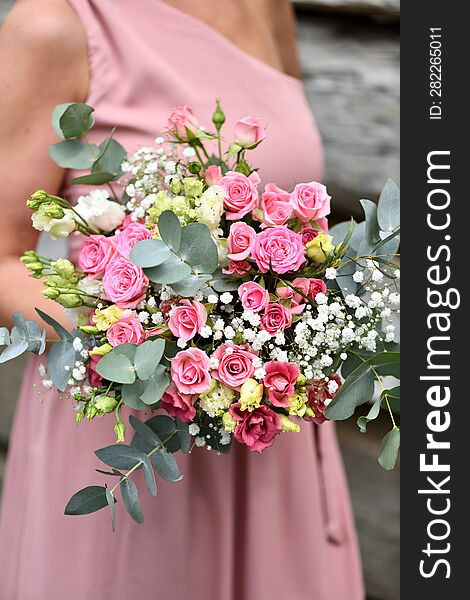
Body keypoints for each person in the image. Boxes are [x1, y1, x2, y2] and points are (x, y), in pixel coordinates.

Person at [0, 1, 364, 598]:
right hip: (130, 438)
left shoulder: (268, 8)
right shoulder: (56, 23)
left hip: (269, 423)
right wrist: (151, 338)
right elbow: (4, 256)